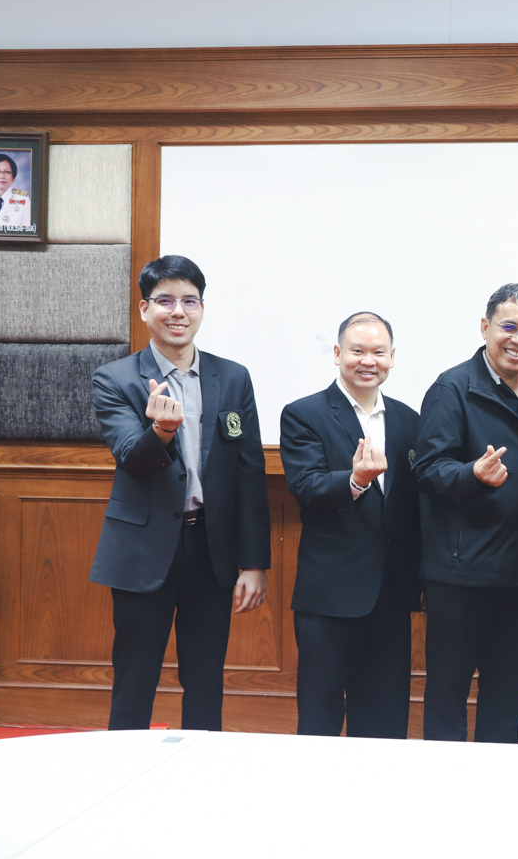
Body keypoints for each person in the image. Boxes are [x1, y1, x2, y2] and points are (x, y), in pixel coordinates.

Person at [89, 255, 270, 730]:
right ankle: (125, 765)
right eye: (165, 301)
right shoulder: (115, 378)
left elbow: (249, 473)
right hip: (142, 549)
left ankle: (202, 765)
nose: (178, 312)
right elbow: (133, 459)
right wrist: (162, 432)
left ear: (202, 309)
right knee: (135, 677)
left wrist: (253, 563)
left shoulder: (233, 377)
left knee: (206, 678)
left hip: (211, 547)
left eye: (189, 301)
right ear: (145, 309)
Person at [414, 283, 518, 743]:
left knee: (508, 702)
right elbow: (428, 470)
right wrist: (472, 475)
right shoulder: (452, 388)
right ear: (485, 327)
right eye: (508, 327)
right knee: (447, 697)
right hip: (460, 576)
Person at [280, 311, 422, 739]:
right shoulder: (304, 414)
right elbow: (305, 487)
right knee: (320, 718)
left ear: (392, 357)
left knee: (385, 719)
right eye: (357, 351)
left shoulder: (409, 419)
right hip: (330, 596)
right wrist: (356, 480)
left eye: (379, 352)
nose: (368, 361)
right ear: (338, 353)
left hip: (392, 595)